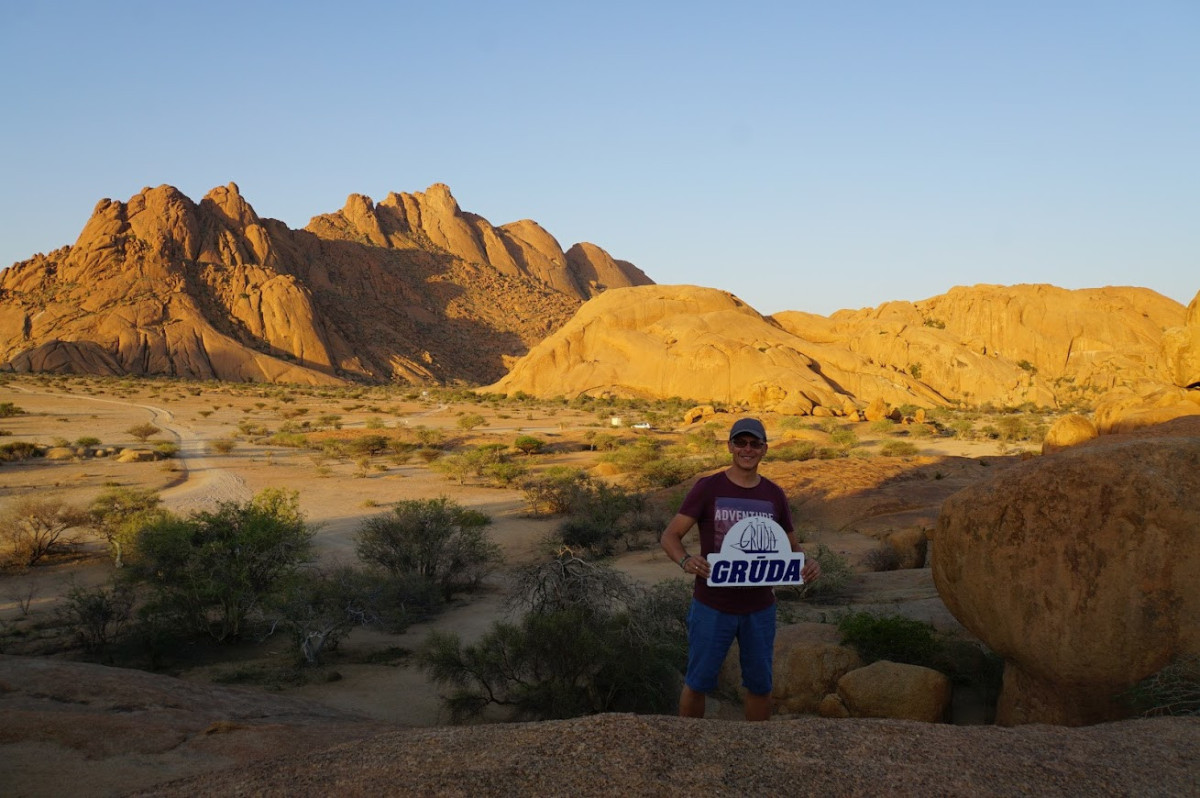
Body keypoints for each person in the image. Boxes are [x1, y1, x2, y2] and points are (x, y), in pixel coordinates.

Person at [660, 417, 820, 721]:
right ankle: (688, 747)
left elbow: (791, 547)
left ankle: (757, 752)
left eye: (754, 443)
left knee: (760, 685)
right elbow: (670, 535)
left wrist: (807, 563)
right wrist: (685, 560)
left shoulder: (774, 494)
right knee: (698, 682)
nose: (747, 449)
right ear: (730, 446)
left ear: (765, 449)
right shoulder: (708, 487)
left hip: (759, 608)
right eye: (741, 442)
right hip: (712, 605)